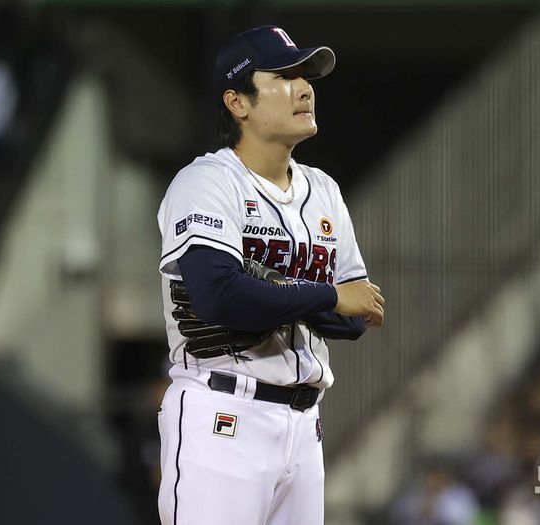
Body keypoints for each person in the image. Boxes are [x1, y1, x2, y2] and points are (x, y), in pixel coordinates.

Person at [155, 25, 385, 525]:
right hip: (222, 416)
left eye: (305, 76)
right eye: (283, 76)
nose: (304, 88)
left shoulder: (323, 190)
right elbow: (218, 297)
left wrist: (267, 288)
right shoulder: (206, 181)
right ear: (237, 102)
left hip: (305, 425)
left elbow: (355, 315)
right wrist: (324, 296)